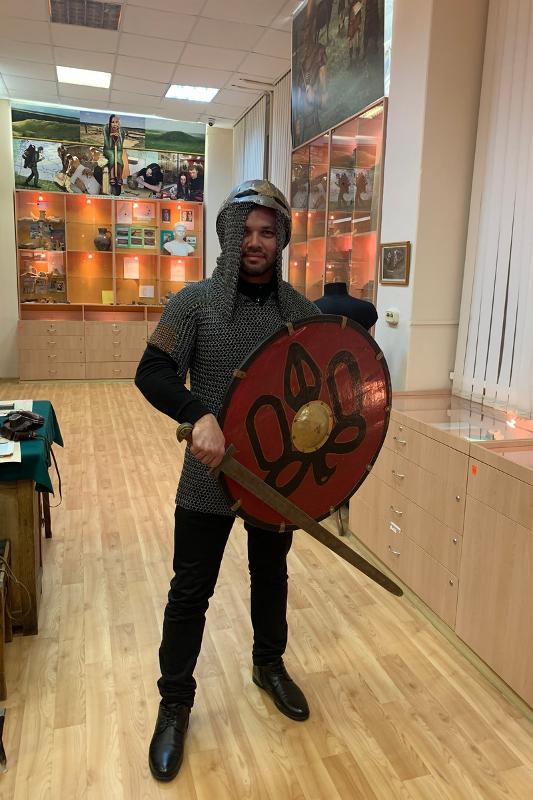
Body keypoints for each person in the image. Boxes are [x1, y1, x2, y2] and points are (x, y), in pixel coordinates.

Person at [135, 179, 319, 783]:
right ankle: (174, 704)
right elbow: (152, 370)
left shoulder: (300, 314)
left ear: (281, 239)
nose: (254, 242)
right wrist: (197, 414)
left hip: (272, 476)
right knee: (190, 590)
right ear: (226, 234)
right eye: (245, 230)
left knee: (271, 574)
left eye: (267, 232)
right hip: (210, 473)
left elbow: (322, 394)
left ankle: (269, 664)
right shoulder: (195, 304)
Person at [102, 114, 125, 194]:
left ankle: (119, 177)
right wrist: (110, 136)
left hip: (118, 150)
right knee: (112, 155)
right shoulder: (106, 128)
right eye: (113, 122)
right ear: (110, 122)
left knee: (119, 158)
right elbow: (107, 144)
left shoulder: (122, 131)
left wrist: (119, 137)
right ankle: (112, 176)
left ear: (119, 123)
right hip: (108, 149)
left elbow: (120, 146)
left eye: (116, 122)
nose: (115, 124)